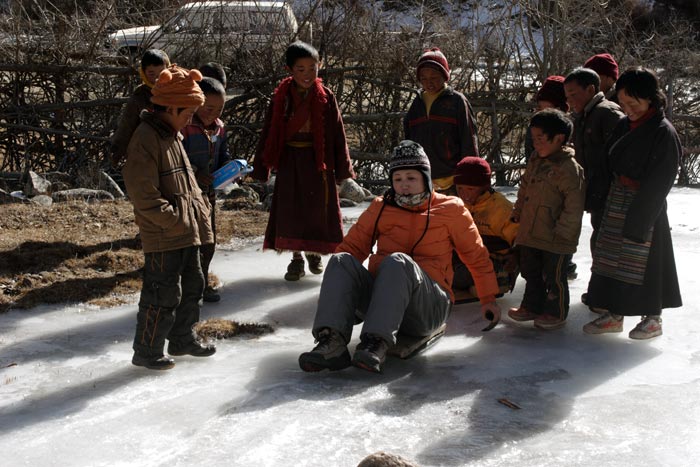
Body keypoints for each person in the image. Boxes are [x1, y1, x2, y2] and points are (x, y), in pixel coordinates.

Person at [298, 141, 501, 374]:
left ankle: (375, 343)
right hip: (382, 303)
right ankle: (331, 343)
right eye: (398, 179)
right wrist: (335, 297)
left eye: (411, 178)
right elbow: (352, 248)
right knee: (341, 259)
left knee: (397, 261)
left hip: (428, 308)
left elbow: (475, 255)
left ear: (425, 178)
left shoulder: (451, 209)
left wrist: (488, 298)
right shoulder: (381, 207)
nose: (404, 185)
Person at [122, 65, 216, 370]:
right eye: (187, 113)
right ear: (171, 107)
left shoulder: (172, 136)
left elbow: (187, 184)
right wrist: (174, 219)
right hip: (164, 234)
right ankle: (148, 350)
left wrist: (198, 218)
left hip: (186, 231)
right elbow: (143, 193)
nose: (190, 119)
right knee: (162, 293)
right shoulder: (146, 138)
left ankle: (182, 338)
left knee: (193, 286)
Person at [583, 67, 682, 339]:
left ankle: (653, 319)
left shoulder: (663, 132)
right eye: (624, 104)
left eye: (633, 103)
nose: (628, 110)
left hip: (646, 205)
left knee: (644, 262)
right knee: (610, 259)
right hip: (617, 200)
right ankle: (614, 314)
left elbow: (662, 178)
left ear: (651, 98)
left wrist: (641, 216)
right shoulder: (624, 125)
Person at [252, 41, 354, 281]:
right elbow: (269, 131)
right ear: (290, 70)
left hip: (319, 162)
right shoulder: (281, 97)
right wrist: (261, 167)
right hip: (290, 162)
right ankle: (296, 259)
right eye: (301, 69)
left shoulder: (325, 96)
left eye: (312, 68)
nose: (308, 74)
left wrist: (342, 168)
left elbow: (338, 133)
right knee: (291, 210)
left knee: (317, 210)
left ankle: (313, 251)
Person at [508, 109, 585, 330]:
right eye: (533, 138)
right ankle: (531, 306)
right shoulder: (535, 160)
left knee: (554, 276)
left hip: (555, 235)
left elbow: (574, 205)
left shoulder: (569, 168)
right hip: (531, 231)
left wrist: (563, 232)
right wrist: (518, 210)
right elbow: (524, 188)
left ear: (559, 139)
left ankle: (556, 311)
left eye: (540, 139)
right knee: (530, 271)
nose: (536, 144)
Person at [564, 67, 624, 305]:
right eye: (566, 97)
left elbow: (621, 156)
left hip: (609, 193)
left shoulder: (607, 113)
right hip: (596, 192)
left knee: (606, 244)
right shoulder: (586, 114)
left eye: (573, 95)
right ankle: (600, 292)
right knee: (598, 241)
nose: (570, 101)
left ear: (591, 89)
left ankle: (607, 296)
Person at [404, 47, 479, 195]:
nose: (429, 83)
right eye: (424, 79)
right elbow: (409, 140)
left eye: (434, 78)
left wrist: (470, 176)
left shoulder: (457, 101)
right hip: (424, 181)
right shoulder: (416, 104)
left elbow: (469, 139)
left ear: (445, 76)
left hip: (453, 181)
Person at [182, 77, 230, 303]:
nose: (213, 113)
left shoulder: (220, 129)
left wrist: (232, 170)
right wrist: (194, 172)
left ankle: (201, 286)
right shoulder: (185, 126)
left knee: (209, 242)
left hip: (208, 195)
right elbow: (176, 159)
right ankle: (188, 289)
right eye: (209, 108)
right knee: (189, 243)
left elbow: (223, 156)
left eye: (219, 109)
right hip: (185, 195)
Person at [451, 156, 519, 302]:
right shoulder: (460, 205)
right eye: (460, 189)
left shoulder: (502, 209)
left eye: (470, 189)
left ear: (485, 187)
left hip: (493, 263)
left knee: (452, 275)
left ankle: (497, 281)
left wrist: (515, 259)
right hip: (469, 259)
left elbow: (520, 239)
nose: (464, 194)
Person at [110, 49, 170, 168]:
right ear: (144, 72)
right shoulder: (140, 95)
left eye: (161, 73)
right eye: (152, 74)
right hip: (147, 150)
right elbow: (127, 126)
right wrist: (116, 153)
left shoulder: (176, 90)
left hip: (172, 147)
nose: (157, 78)